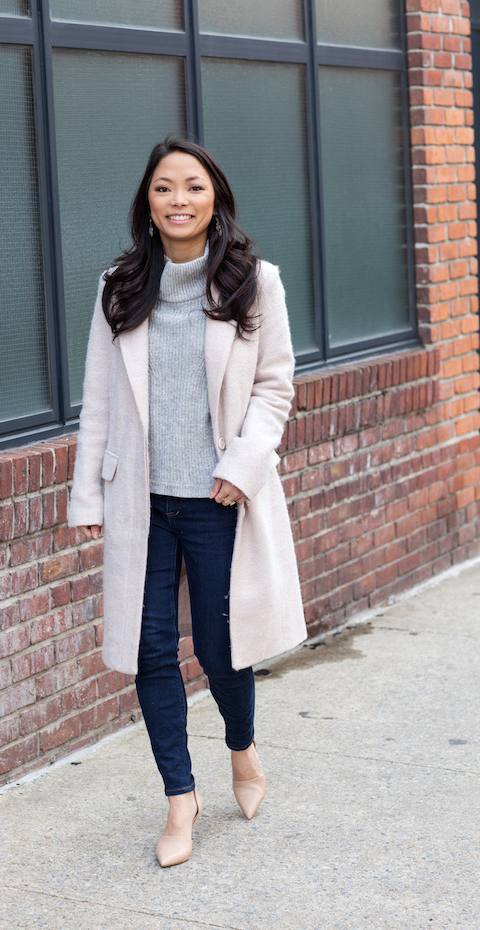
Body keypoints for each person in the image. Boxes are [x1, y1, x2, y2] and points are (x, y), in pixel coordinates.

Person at [68, 138, 306, 868]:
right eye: (165, 188)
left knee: (220, 647)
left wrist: (243, 464)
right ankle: (180, 798)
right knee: (150, 653)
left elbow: (274, 387)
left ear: (214, 198)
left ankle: (241, 749)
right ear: (148, 199)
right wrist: (90, 500)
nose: (178, 200)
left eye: (193, 187)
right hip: (143, 501)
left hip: (216, 498)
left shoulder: (253, 283)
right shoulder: (120, 285)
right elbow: (101, 401)